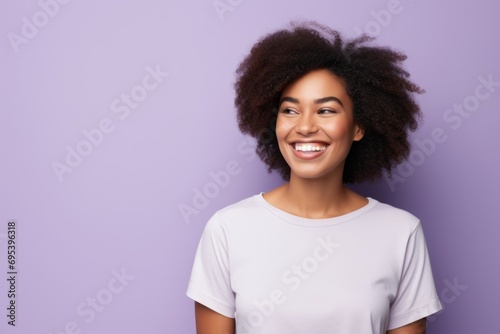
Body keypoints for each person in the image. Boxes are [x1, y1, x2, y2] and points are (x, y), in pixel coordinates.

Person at [186, 20, 442, 334]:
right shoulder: (227, 229)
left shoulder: (401, 233)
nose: (305, 126)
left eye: (326, 110)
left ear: (359, 126)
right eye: (290, 110)